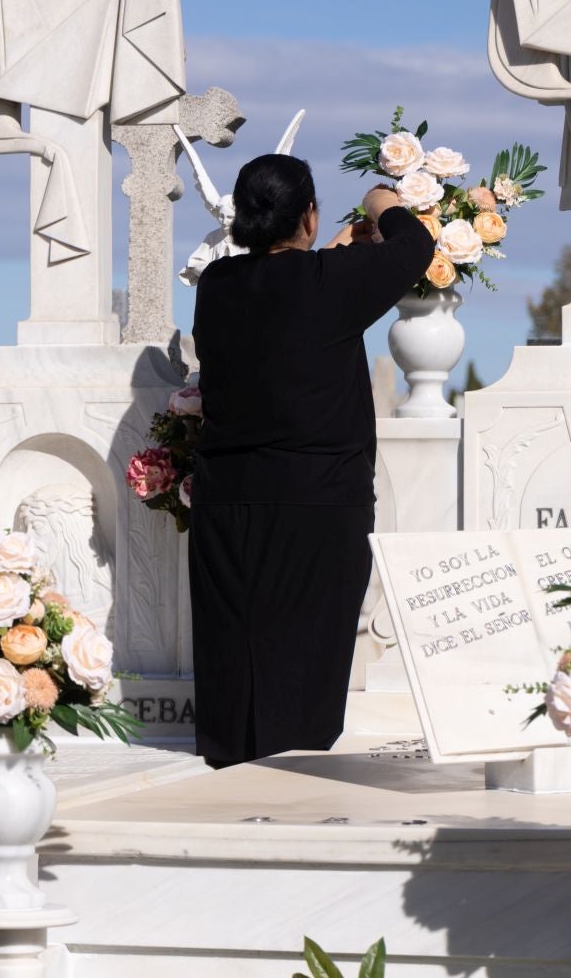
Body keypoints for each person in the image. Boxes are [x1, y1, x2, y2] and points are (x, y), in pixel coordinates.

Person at [189, 155, 436, 767]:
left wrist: (329, 252)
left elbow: (287, 298)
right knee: (301, 666)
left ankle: (219, 795)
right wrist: (382, 202)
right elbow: (415, 246)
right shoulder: (332, 283)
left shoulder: (217, 286)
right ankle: (287, 809)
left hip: (228, 501)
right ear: (308, 214)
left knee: (233, 661)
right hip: (316, 502)